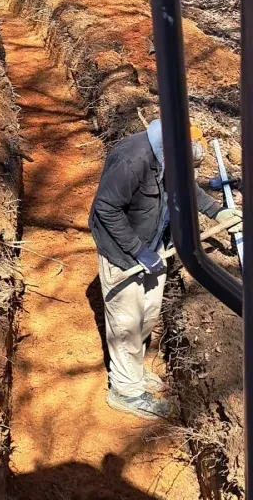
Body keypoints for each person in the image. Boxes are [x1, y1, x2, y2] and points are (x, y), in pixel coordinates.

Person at [89, 118, 240, 420]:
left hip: (154, 242)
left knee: (148, 312)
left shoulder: (171, 154)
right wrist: (138, 251)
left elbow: (187, 189)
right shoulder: (135, 160)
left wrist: (218, 211)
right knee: (126, 323)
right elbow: (105, 207)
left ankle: (131, 369)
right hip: (123, 252)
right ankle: (125, 391)